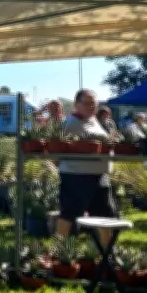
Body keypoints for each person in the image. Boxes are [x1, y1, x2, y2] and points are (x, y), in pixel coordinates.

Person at [56, 89, 115, 246]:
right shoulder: (69, 124)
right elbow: (59, 150)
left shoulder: (94, 120)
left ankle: (106, 252)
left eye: (94, 104)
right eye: (87, 103)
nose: (91, 107)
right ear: (76, 104)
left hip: (99, 176)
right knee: (68, 214)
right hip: (76, 176)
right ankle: (58, 253)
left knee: (105, 215)